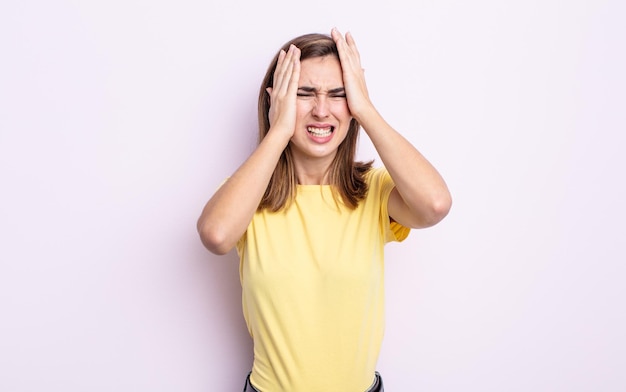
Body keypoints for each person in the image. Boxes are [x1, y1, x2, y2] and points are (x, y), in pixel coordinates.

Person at [197, 28, 452, 392]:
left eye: (338, 94)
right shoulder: (250, 195)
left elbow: (435, 204)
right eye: (304, 93)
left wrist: (365, 108)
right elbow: (216, 235)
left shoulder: (373, 191)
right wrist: (279, 130)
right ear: (278, 99)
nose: (321, 110)